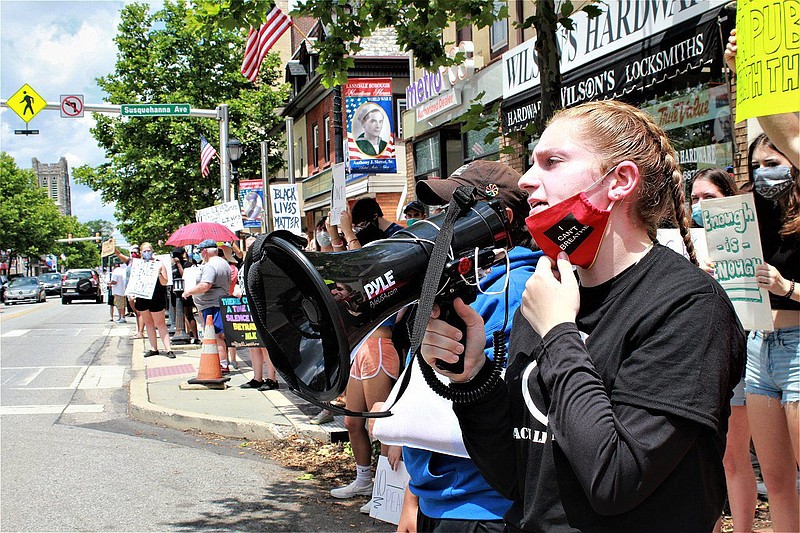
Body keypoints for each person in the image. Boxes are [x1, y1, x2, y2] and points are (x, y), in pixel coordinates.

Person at [419, 100, 745, 531]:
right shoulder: (549, 292)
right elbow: (516, 478)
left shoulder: (689, 307)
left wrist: (559, 333)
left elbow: (615, 479)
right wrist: (474, 377)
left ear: (620, 181)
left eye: (552, 162)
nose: (526, 180)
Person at [383, 161, 541, 532]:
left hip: (480, 505)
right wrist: (415, 493)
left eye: (457, 212)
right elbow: (434, 390)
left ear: (499, 221)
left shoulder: (511, 289)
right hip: (445, 498)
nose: (442, 223)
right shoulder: (467, 284)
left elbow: (493, 412)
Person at [726, 30, 800, 532]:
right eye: (757, 167)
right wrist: (738, 81)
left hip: (798, 347)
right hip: (760, 350)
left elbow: (792, 135)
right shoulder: (758, 213)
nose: (762, 173)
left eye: (773, 164)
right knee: (774, 481)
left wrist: (788, 289)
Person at [690, 169, 756, 532]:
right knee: (706, 457)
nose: (700, 207)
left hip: (740, 353)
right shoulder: (684, 242)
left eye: (709, 198)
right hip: (701, 357)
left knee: (733, 457)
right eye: (695, 199)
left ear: (728, 198)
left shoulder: (747, 239)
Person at [328, 206, 402, 506]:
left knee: (379, 424)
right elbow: (344, 271)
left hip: (380, 345)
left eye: (357, 225)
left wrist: (346, 234)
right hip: (363, 347)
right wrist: (336, 237)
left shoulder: (397, 240)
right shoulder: (375, 239)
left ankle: (387, 491)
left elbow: (365, 273)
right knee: (352, 421)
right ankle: (364, 480)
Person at [182, 239, 231, 372]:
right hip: (219, 301)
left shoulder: (210, 266)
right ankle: (222, 362)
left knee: (215, 335)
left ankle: (222, 364)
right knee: (217, 334)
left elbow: (205, 285)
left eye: (200, 251)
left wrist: (189, 291)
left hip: (211, 304)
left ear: (204, 252)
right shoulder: (224, 263)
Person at [238, 236, 280, 392]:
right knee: (253, 345)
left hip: (262, 309)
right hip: (247, 308)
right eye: (247, 246)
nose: (249, 249)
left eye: (252, 246)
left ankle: (272, 378)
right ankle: (257, 378)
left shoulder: (263, 263)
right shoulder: (245, 263)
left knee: (264, 346)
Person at [134, 242, 174, 359]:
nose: (147, 253)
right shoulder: (138, 265)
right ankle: (153, 348)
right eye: (144, 251)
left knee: (160, 323)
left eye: (149, 250)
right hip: (143, 296)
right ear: (141, 252)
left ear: (152, 251)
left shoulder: (159, 264)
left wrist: (159, 274)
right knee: (148, 323)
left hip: (156, 296)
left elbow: (164, 282)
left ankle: (168, 349)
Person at [110, 260, 128, 325]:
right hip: (124, 291)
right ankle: (122, 317)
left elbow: (115, 281)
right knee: (123, 305)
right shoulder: (123, 270)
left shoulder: (115, 272)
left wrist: (110, 283)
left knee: (119, 305)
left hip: (118, 291)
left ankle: (122, 317)